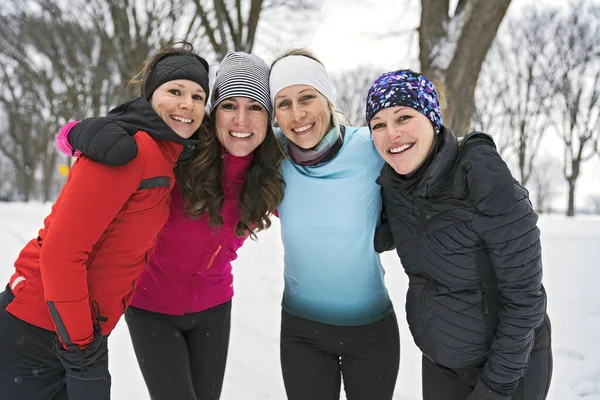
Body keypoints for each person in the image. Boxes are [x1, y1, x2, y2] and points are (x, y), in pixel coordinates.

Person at [55, 52, 285, 400]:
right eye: (228, 106)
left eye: (255, 107)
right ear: (213, 112)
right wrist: (78, 134)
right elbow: (81, 137)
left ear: (268, 118)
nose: (241, 119)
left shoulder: (270, 173)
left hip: (214, 308)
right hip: (151, 307)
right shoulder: (180, 151)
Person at [0, 42, 210, 400]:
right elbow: (61, 253)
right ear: (150, 96)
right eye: (175, 91)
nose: (187, 104)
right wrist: (81, 350)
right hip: (37, 331)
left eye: (198, 96)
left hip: (75, 332)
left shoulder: (167, 157)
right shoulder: (127, 150)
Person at [366, 69, 552, 400]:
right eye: (378, 124)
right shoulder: (394, 186)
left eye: (403, 117)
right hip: (441, 362)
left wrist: (495, 388)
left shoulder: (481, 178)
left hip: (510, 366)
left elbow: (525, 301)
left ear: (433, 118)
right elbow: (384, 234)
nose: (391, 133)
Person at [270, 49, 400, 400]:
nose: (297, 114)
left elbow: (429, 152)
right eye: (283, 103)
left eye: (306, 97)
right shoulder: (270, 160)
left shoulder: (370, 147)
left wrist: (476, 147)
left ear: (327, 98)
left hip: (372, 332)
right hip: (302, 333)